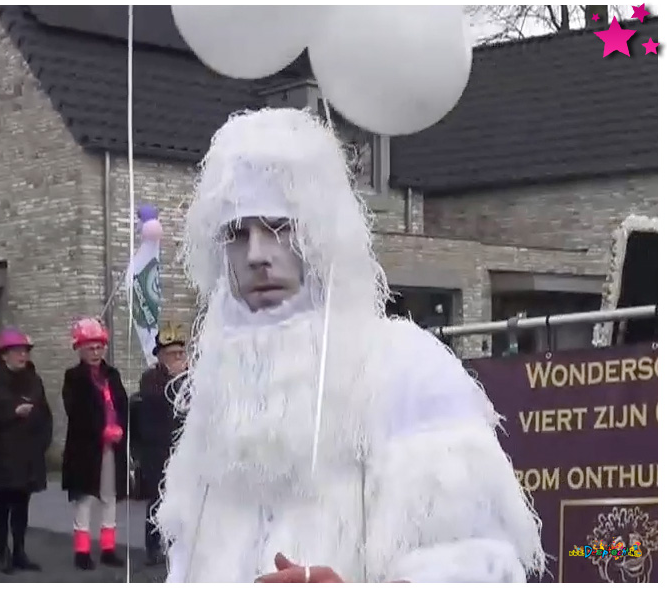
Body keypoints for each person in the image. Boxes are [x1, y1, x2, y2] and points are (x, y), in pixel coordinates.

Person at [153, 108, 546, 583]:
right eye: (237, 233)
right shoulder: (218, 386)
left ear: (321, 232)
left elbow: (477, 562)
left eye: (279, 227)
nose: (257, 254)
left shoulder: (406, 367)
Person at [0, 328, 53, 574]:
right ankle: (3, 552)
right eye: (17, 351)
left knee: (22, 503)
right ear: (3, 356)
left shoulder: (33, 379)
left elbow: (44, 414)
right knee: (3, 502)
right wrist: (12, 413)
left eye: (25, 351)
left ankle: (19, 551)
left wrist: (42, 442)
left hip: (28, 453)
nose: (22, 355)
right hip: (1, 453)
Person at [61, 318, 128, 570]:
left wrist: (120, 427)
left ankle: (109, 548)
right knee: (85, 498)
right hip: (85, 448)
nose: (95, 352)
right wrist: (101, 430)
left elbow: (122, 405)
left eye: (99, 347)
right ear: (79, 349)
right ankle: (82, 550)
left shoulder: (113, 375)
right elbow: (76, 411)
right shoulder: (73, 377)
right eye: (90, 347)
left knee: (109, 497)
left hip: (113, 447)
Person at [131, 323, 188, 566]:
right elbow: (159, 402)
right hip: (157, 451)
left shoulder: (190, 378)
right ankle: (153, 547)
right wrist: (177, 380)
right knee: (156, 501)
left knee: (183, 500)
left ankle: (179, 545)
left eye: (180, 353)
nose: (178, 359)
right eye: (171, 355)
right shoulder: (151, 379)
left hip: (183, 450)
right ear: (160, 357)